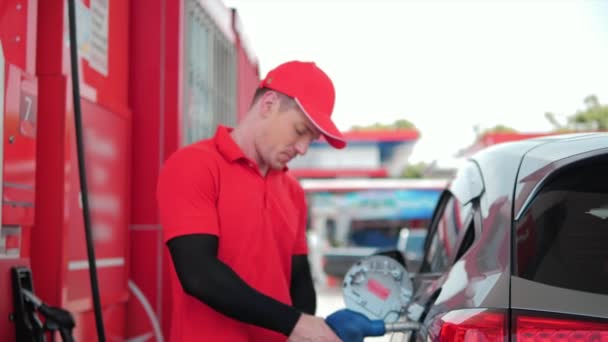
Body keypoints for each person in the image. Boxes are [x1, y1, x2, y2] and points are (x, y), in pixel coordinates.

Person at [156, 61, 346, 341]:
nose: (303, 148)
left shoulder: (292, 190)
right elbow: (198, 273)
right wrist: (295, 323)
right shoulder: (194, 165)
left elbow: (299, 280)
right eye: (300, 130)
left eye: (312, 139)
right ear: (269, 104)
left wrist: (305, 328)